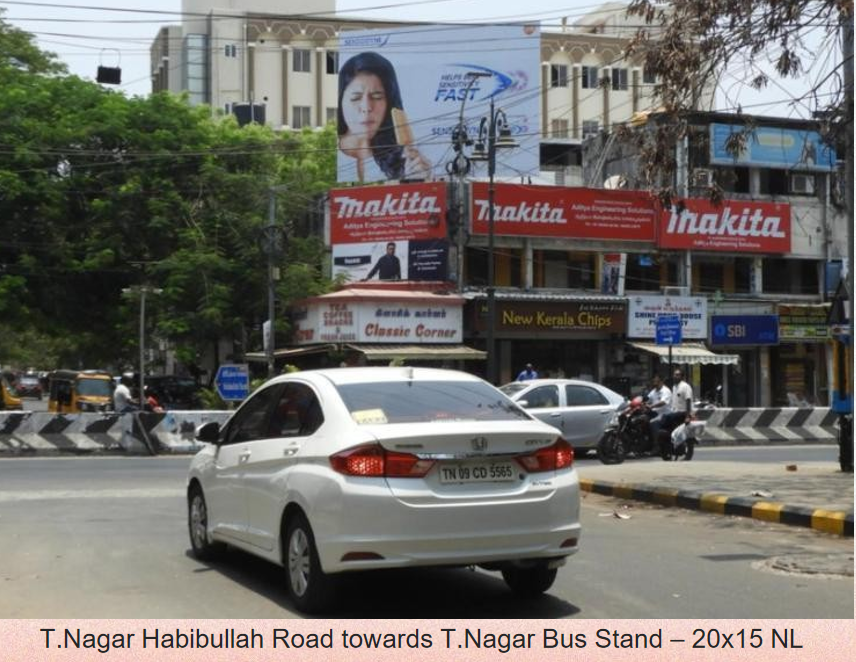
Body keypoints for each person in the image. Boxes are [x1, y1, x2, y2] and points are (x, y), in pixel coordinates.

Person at [337, 52, 431, 182]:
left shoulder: (404, 158)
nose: (366, 107)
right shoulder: (327, 153)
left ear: (389, 102)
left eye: (377, 97)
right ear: (341, 101)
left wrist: (421, 181)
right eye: (356, 97)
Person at [646, 373, 672, 445]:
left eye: (656, 381)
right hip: (655, 413)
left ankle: (657, 445)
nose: (654, 383)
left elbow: (663, 402)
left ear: (661, 381)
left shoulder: (666, 391)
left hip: (664, 414)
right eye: (654, 381)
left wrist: (652, 406)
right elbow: (648, 399)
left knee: (652, 423)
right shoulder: (654, 391)